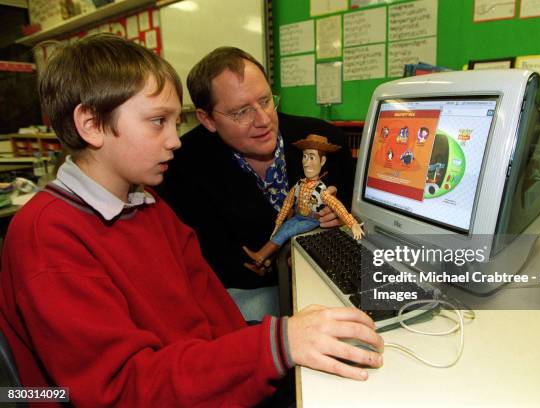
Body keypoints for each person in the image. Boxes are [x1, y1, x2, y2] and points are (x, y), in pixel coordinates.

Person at [0, 34, 382, 407]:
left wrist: (287, 340)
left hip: (198, 380)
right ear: (92, 124)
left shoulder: (148, 204)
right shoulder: (48, 237)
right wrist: (277, 343)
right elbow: (119, 390)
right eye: (157, 121)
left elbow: (216, 324)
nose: (175, 140)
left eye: (174, 121)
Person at [157, 47, 355, 320]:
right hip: (248, 290)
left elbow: (361, 224)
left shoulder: (325, 140)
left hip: (330, 278)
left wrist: (341, 221)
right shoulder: (180, 168)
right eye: (241, 112)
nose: (263, 121)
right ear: (207, 119)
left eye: (265, 101)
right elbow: (213, 264)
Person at [243, 134, 364, 269]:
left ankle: (260, 256)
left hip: (312, 220)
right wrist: (278, 223)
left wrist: (352, 223)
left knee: (288, 231)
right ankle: (265, 263)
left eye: (312, 157)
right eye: (305, 156)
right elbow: (287, 205)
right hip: (299, 216)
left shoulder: (321, 189)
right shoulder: (299, 185)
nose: (306, 162)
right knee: (284, 229)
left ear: (322, 161)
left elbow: (337, 206)